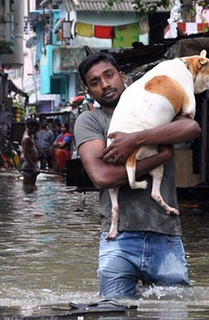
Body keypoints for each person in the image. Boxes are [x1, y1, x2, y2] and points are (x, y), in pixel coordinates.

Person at [74, 52, 201, 299]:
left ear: (123, 78)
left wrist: (134, 139)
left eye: (109, 75)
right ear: (89, 91)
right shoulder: (91, 121)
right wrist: (159, 158)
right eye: (95, 82)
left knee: (171, 318)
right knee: (114, 319)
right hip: (117, 239)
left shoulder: (155, 106)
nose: (105, 84)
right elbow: (102, 177)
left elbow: (191, 127)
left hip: (165, 234)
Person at [20, 117, 40, 185]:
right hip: (29, 164)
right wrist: (34, 167)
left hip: (32, 163)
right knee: (27, 185)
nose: (36, 131)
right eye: (35, 129)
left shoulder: (30, 135)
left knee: (32, 186)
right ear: (30, 127)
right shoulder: (27, 138)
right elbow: (26, 154)